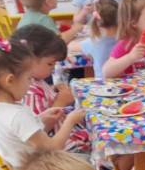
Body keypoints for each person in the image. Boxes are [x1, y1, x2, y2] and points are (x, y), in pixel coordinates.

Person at [0, 37, 85, 169]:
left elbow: (22, 136)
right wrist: (70, 121)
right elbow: (53, 148)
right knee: (89, 161)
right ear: (10, 80)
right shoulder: (17, 116)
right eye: (29, 78)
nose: (30, 85)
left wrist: (40, 120)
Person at [11, 25, 91, 154]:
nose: (53, 68)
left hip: (67, 136)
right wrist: (61, 101)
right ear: (28, 61)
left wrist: (53, 90)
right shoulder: (29, 92)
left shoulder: (36, 80)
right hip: (63, 150)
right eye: (50, 64)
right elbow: (41, 131)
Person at [16, 0, 89, 43]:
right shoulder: (43, 19)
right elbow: (59, 41)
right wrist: (75, 30)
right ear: (48, 2)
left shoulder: (27, 17)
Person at [69, 0, 119, 75]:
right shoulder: (126, 39)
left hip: (102, 81)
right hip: (126, 81)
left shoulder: (95, 42)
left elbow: (71, 46)